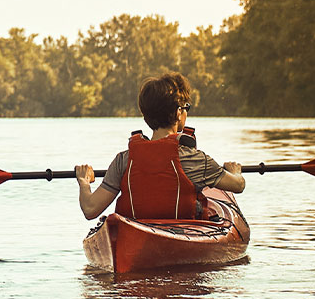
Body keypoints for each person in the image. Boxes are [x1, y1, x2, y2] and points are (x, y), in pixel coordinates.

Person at [74, 72, 244, 220]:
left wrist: (84, 182)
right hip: (181, 234)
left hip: (136, 234)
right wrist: (235, 172)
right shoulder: (195, 159)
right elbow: (238, 186)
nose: (186, 113)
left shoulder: (124, 160)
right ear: (178, 113)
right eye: (186, 108)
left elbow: (90, 209)